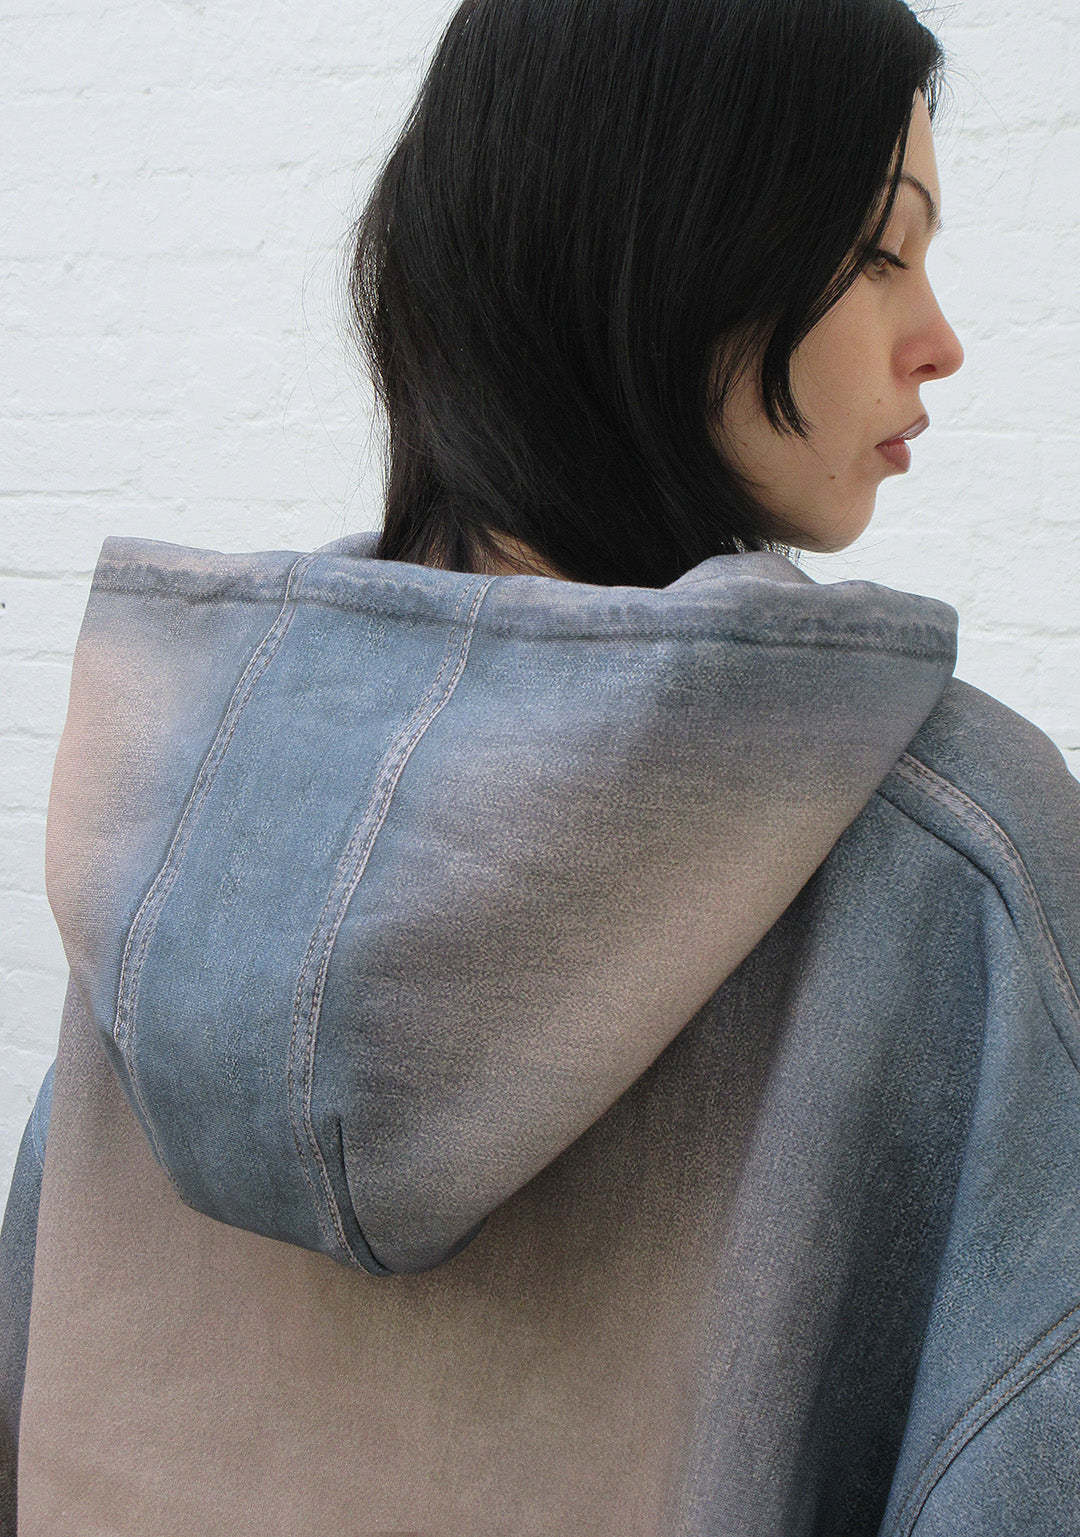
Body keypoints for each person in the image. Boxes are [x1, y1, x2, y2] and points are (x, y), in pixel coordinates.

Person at [3, 2, 1078, 1534]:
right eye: (879, 253)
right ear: (668, 254)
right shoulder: (956, 859)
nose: (941, 340)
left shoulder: (184, 805)